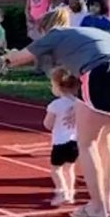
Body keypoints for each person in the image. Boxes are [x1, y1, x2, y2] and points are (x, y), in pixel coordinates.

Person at [1, 8, 110, 217]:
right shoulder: (84, 34)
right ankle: (104, 203)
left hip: (103, 68)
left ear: (44, 29)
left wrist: (5, 57)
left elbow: (18, 58)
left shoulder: (54, 34)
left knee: (86, 142)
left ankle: (98, 207)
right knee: (106, 138)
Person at [44, 67, 80, 207]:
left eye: (52, 85)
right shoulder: (77, 104)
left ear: (59, 86)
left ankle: (61, 191)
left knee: (56, 169)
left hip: (60, 142)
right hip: (74, 142)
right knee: (69, 168)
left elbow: (48, 124)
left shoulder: (55, 105)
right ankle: (70, 193)